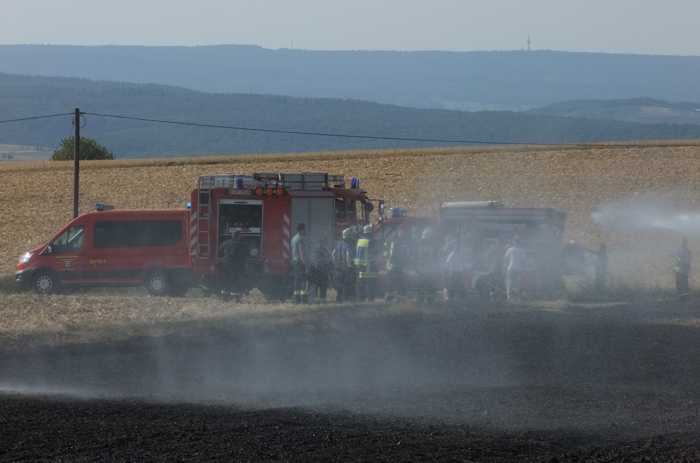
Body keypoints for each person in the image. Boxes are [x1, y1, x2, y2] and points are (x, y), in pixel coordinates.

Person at [385, 227, 409, 301]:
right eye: (401, 232)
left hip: (398, 265)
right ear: (398, 233)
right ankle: (391, 296)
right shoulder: (396, 242)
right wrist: (391, 263)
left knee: (396, 280)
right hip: (394, 265)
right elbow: (392, 254)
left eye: (403, 233)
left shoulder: (401, 242)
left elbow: (405, 254)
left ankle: (395, 296)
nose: (402, 234)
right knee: (395, 280)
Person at [355, 224, 377, 301]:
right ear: (370, 233)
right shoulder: (371, 242)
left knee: (361, 283)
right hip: (369, 266)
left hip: (360, 266)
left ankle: (361, 298)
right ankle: (371, 298)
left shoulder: (360, 241)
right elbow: (374, 254)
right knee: (370, 283)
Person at [332, 228, 355, 303]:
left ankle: (338, 298)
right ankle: (345, 298)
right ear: (348, 236)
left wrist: (335, 262)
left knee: (339, 283)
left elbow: (333, 254)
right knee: (346, 283)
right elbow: (348, 255)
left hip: (337, 267)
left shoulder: (338, 244)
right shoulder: (347, 245)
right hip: (345, 267)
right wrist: (349, 265)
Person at [218, 230, 242, 296]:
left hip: (225, 262)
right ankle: (234, 292)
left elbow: (219, 250)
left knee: (226, 277)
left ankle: (224, 291)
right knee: (234, 277)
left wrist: (222, 258)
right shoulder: (238, 244)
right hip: (233, 263)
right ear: (238, 236)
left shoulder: (225, 242)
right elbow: (236, 254)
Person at [503, 236, 527, 301]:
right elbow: (524, 261)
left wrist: (505, 267)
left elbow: (505, 259)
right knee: (517, 283)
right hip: (519, 269)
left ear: (514, 242)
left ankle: (509, 296)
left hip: (511, 268)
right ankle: (516, 296)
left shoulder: (510, 249)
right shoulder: (522, 250)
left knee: (509, 282)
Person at [311, 236, 332, 302]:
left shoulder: (316, 249)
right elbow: (327, 259)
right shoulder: (323, 250)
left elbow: (314, 260)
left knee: (317, 285)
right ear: (322, 242)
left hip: (317, 270)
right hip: (322, 270)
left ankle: (316, 298)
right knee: (322, 285)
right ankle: (322, 298)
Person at [291, 223, 308, 304]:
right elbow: (301, 252)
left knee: (296, 280)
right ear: (301, 229)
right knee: (303, 280)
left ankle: (296, 299)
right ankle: (303, 299)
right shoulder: (300, 239)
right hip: (299, 262)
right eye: (304, 229)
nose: (305, 231)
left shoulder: (293, 238)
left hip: (294, 261)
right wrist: (304, 262)